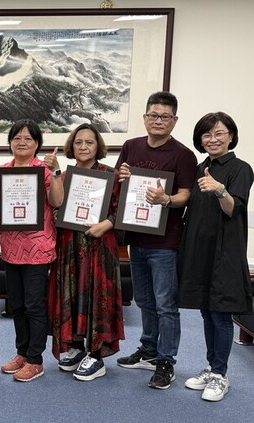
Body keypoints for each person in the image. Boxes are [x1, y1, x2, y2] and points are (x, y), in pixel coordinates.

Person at [114, 91, 197, 389]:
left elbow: (186, 194)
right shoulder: (131, 146)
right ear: (145, 117)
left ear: (174, 120)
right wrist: (121, 176)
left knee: (165, 305)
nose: (158, 121)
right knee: (144, 300)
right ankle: (148, 349)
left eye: (165, 116)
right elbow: (118, 182)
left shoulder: (183, 155)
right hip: (136, 238)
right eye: (153, 115)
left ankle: (166, 361)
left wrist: (166, 199)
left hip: (165, 243)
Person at [178, 112, 253, 402]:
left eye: (219, 133)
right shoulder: (200, 168)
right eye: (207, 134)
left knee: (221, 313)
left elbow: (232, 208)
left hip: (225, 253)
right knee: (206, 311)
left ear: (231, 136)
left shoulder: (241, 169)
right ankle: (212, 367)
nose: (213, 139)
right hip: (200, 251)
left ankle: (221, 375)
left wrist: (220, 189)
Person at [48, 123, 124, 382]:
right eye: (78, 142)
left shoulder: (111, 175)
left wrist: (106, 224)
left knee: (97, 295)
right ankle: (78, 347)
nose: (83, 146)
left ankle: (97, 355)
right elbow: (55, 206)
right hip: (70, 244)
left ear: (97, 146)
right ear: (72, 145)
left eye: (89, 142)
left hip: (99, 245)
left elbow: (121, 209)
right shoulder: (65, 176)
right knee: (73, 294)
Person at [0, 119, 63, 382]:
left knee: (34, 305)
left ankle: (35, 359)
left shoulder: (44, 171)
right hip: (11, 248)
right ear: (9, 143)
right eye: (16, 138)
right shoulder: (2, 171)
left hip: (38, 248)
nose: (21, 142)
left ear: (37, 143)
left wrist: (56, 173)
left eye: (28, 138)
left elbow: (56, 201)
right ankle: (22, 352)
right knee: (17, 305)